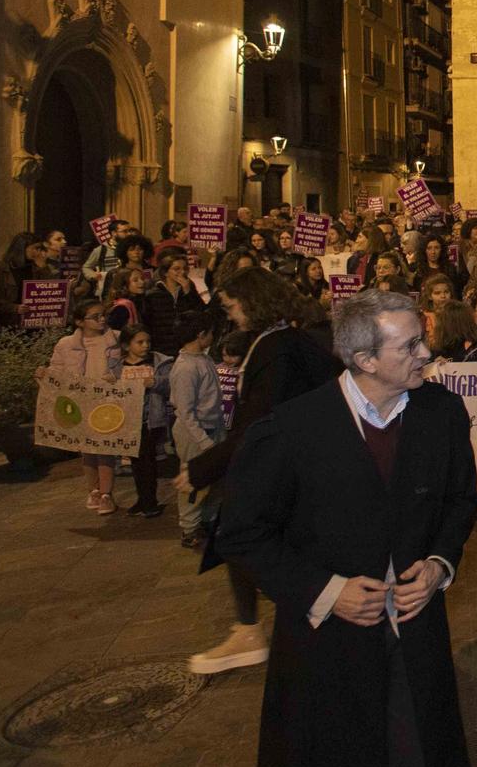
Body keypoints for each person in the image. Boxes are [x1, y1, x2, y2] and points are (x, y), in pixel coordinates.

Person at [217, 289, 477, 767]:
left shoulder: (442, 412)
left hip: (414, 633)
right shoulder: (293, 428)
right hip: (327, 646)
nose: (426, 352)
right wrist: (325, 591)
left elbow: (460, 501)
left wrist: (439, 564)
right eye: (410, 344)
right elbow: (242, 533)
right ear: (364, 360)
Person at [175, 267, 341, 676]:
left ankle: (255, 630)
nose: (230, 315)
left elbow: (258, 422)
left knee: (242, 532)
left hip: (292, 466)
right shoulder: (282, 342)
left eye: (232, 306)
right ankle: (256, 627)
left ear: (253, 301)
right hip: (298, 461)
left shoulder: (277, 349)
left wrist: (202, 468)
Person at [46, 298, 123, 510]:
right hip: (80, 402)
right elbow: (56, 370)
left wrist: (116, 378)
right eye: (95, 317)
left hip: (106, 400)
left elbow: (127, 367)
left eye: (103, 315)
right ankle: (94, 489)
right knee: (87, 449)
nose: (102, 319)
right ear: (80, 322)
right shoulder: (66, 344)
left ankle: (107, 493)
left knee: (105, 448)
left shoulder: (116, 339)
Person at [167, 312, 222, 550]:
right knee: (193, 480)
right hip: (195, 433)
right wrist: (203, 441)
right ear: (200, 336)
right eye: (210, 332)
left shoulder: (203, 359)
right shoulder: (186, 368)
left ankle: (207, 521)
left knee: (213, 480)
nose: (213, 337)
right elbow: (186, 412)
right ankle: (189, 528)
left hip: (212, 427)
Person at [115, 324, 172, 518]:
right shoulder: (117, 366)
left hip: (149, 419)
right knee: (136, 461)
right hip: (128, 419)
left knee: (147, 460)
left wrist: (155, 382)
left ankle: (149, 501)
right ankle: (143, 498)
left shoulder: (159, 363)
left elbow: (172, 385)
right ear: (126, 345)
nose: (145, 345)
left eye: (147, 341)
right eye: (140, 342)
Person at [142, 252, 208, 358]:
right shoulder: (153, 295)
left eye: (185, 268)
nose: (182, 272)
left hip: (186, 348)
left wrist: (188, 292)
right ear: (166, 272)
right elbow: (147, 322)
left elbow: (200, 313)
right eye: (176, 269)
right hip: (161, 349)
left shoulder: (189, 289)